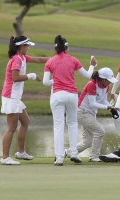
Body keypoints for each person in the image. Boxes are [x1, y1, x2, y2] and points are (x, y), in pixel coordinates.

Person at [43, 35, 97, 166]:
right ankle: (73, 153)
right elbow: (88, 75)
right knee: (72, 123)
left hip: (57, 96)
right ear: (66, 47)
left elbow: (45, 82)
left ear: (55, 48)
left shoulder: (50, 62)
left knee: (58, 126)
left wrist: (55, 80)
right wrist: (92, 65)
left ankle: (60, 157)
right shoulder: (73, 60)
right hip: (72, 95)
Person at [0, 36, 49, 165]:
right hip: (11, 97)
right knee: (11, 128)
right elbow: (15, 78)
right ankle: (5, 158)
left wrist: (54, 60)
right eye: (27, 46)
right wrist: (31, 76)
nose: (28, 48)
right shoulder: (16, 59)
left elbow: (37, 59)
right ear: (21, 46)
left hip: (15, 97)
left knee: (26, 122)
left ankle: (21, 152)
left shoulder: (22, 57)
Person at [66, 67, 119, 162]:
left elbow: (103, 100)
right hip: (82, 112)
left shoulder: (105, 86)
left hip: (90, 114)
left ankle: (67, 153)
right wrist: (108, 107)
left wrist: (112, 108)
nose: (110, 82)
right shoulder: (92, 85)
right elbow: (93, 103)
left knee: (87, 142)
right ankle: (94, 156)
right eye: (109, 80)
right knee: (100, 131)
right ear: (103, 79)